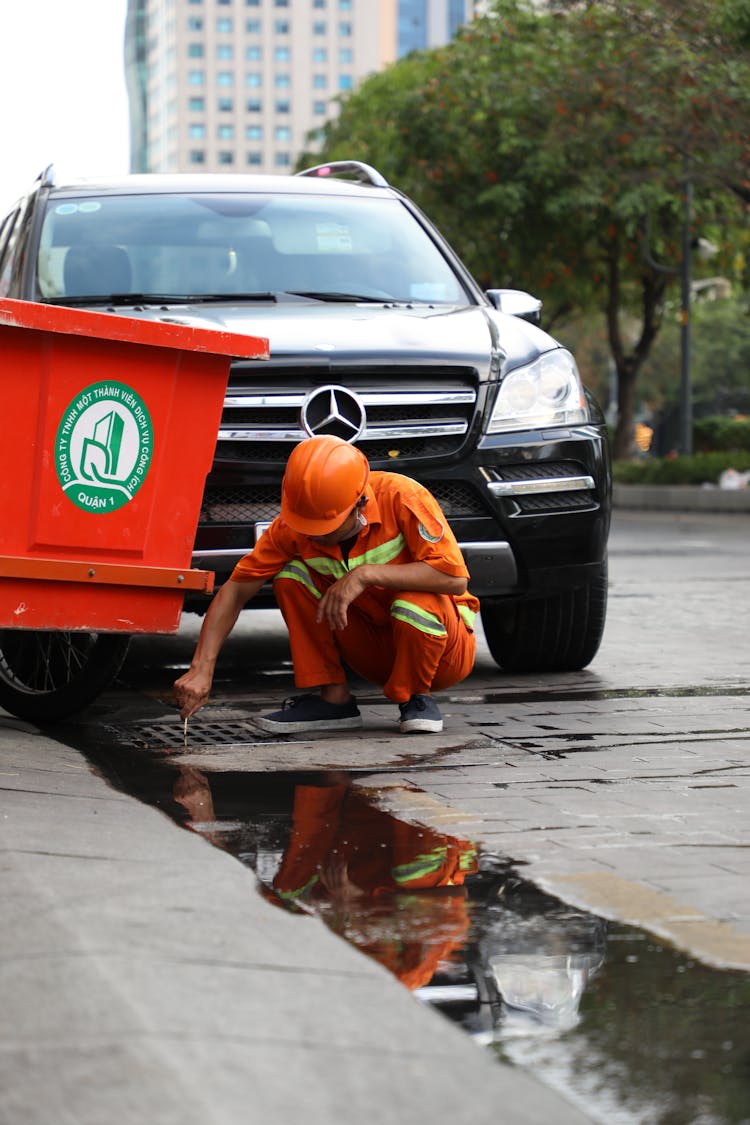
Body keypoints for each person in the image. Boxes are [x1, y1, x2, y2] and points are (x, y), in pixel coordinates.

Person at [174, 434, 479, 734]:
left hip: (444, 655)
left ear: (359, 505)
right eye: (308, 526)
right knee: (291, 576)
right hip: (373, 654)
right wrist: (202, 668)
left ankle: (417, 696)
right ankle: (334, 699)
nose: (313, 536)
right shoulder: (296, 523)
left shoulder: (402, 497)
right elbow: (236, 589)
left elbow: (453, 578)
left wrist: (364, 574)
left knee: (415, 601)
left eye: (325, 528)